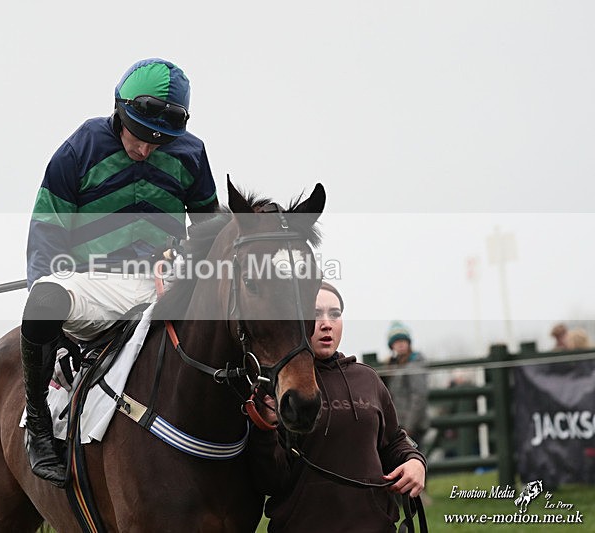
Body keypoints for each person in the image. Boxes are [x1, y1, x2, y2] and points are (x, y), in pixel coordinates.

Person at [21, 58, 218, 485]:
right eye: (140, 135)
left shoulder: (192, 153)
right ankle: (38, 423)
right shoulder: (80, 148)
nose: (146, 149)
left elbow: (209, 233)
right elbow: (46, 235)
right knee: (44, 298)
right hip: (93, 285)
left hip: (162, 285)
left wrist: (184, 258)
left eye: (159, 142)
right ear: (119, 109)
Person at [248, 282, 426, 532]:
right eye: (315, 314)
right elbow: (270, 480)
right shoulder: (279, 387)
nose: (326, 323)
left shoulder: (367, 379)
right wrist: (264, 429)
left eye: (335, 314)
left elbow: (394, 441)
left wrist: (414, 461)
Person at [386, 321, 430, 448]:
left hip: (411, 426)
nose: (400, 344)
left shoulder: (414, 363)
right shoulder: (395, 365)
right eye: (396, 341)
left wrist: (409, 427)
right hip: (402, 424)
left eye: (403, 340)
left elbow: (419, 395)